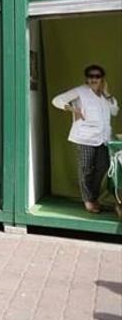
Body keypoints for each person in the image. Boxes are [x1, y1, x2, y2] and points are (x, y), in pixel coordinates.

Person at [51, 64, 119, 214]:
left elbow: (115, 111)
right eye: (91, 76)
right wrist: (72, 109)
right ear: (87, 78)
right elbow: (57, 100)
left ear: (102, 79)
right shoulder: (80, 91)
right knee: (86, 169)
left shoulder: (104, 96)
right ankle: (89, 200)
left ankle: (93, 196)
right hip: (85, 138)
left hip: (103, 138)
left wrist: (107, 93)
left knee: (103, 166)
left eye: (97, 76)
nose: (94, 79)